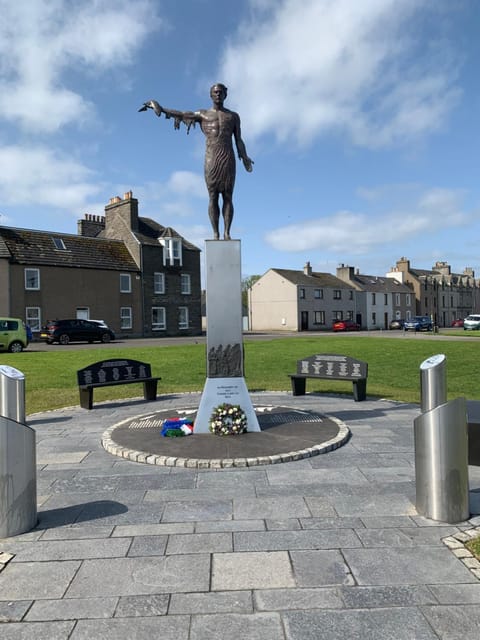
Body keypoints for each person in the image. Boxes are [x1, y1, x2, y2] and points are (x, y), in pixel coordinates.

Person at [139, 83, 253, 240]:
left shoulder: (233, 117)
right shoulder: (203, 114)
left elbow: (238, 139)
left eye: (221, 92)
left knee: (228, 196)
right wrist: (160, 107)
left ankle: (227, 233)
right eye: (215, 92)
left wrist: (244, 157)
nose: (218, 94)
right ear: (211, 95)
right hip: (211, 157)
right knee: (213, 196)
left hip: (228, 157)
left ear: (226, 94)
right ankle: (216, 233)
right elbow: (181, 114)